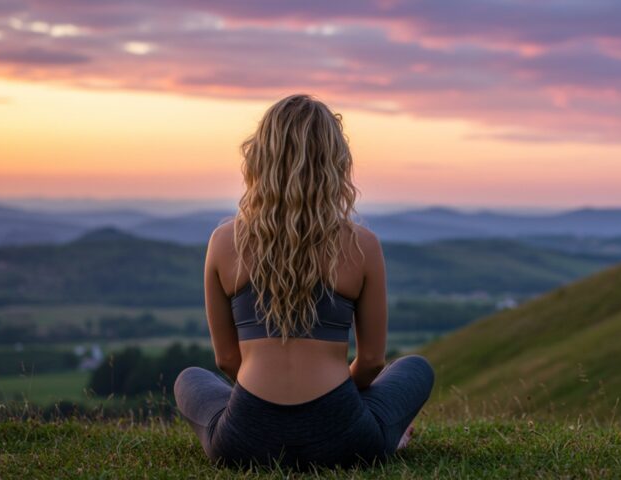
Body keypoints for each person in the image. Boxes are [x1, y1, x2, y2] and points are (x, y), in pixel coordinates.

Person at [173, 94, 435, 470]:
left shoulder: (224, 242)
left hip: (245, 440)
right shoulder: (363, 245)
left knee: (190, 379)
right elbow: (373, 361)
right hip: (345, 440)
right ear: (335, 162)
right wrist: (334, 407)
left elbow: (227, 359)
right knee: (414, 368)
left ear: (258, 158)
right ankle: (385, 436)